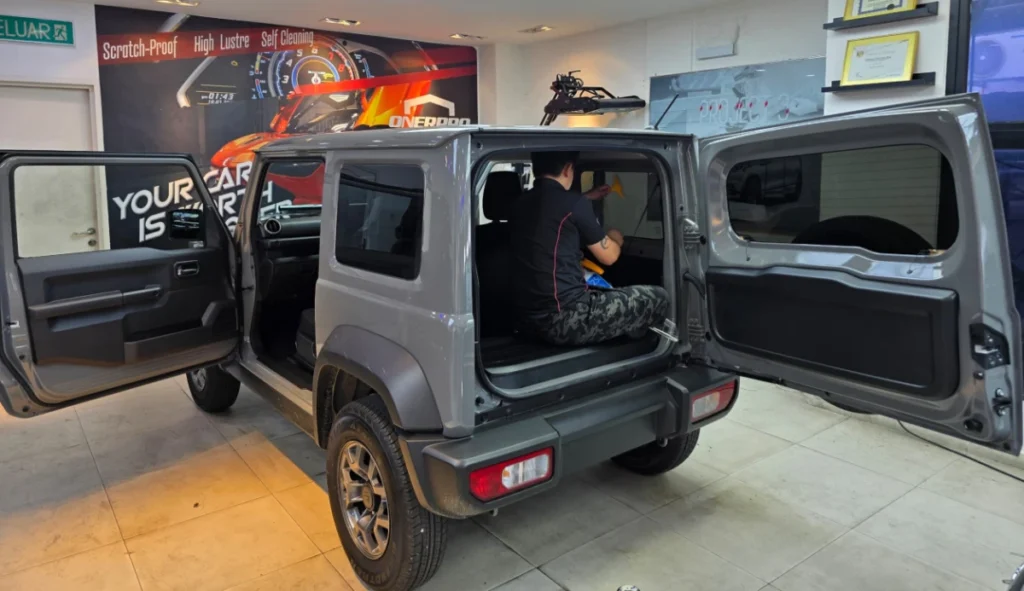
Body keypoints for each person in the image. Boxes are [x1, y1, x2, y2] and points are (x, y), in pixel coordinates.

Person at [510, 151, 669, 346]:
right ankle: (648, 353)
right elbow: (609, 257)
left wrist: (586, 197)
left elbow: (553, 210)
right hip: (564, 319)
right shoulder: (573, 204)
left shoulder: (519, 204)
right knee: (659, 297)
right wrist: (615, 238)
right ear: (568, 169)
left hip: (526, 319)